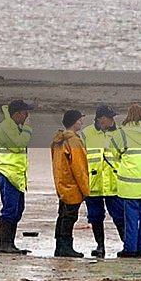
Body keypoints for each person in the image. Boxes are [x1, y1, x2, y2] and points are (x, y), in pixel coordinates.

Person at [108, 103, 141, 259]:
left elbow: (111, 154)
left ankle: (130, 249)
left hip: (129, 184)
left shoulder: (122, 133)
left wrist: (119, 167)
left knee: (131, 218)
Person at [80, 105, 124, 257]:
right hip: (93, 184)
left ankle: (127, 246)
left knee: (119, 216)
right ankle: (100, 246)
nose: (112, 120)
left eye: (112, 117)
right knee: (95, 217)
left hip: (114, 184)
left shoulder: (120, 134)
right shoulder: (86, 134)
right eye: (109, 117)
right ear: (100, 118)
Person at [0, 99, 34, 254]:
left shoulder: (15, 127)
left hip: (17, 173)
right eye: (25, 113)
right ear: (17, 114)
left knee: (18, 209)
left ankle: (10, 243)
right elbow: (18, 144)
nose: (27, 116)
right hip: (7, 172)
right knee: (10, 209)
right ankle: (5, 244)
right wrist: (28, 129)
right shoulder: (6, 128)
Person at [51, 110, 90, 257]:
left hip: (61, 184)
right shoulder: (73, 141)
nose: (81, 122)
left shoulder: (57, 140)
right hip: (72, 186)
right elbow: (79, 168)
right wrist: (86, 190)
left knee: (62, 216)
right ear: (74, 122)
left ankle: (59, 246)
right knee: (69, 217)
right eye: (80, 120)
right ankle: (66, 247)